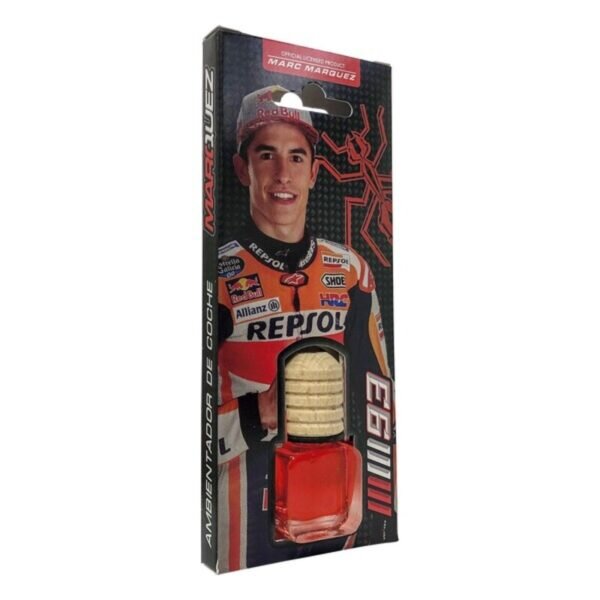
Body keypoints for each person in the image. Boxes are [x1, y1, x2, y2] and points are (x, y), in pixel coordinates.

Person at [216, 84, 391, 572]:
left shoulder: (351, 271)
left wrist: (381, 506)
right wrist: (258, 413)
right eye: (266, 154)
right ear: (242, 169)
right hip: (243, 527)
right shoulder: (216, 279)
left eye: (296, 157)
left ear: (315, 172)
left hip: (339, 512)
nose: (282, 174)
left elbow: (380, 397)